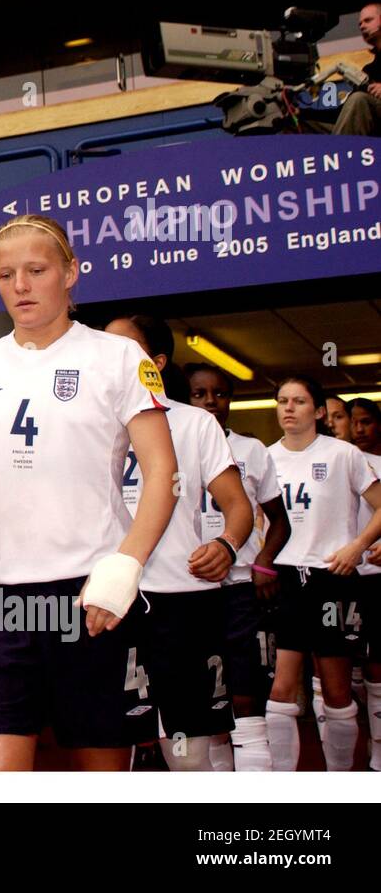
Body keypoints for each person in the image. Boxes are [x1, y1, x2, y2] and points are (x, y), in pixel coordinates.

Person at [0, 214, 178, 771]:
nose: (20, 286)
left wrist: (126, 565)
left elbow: (163, 472)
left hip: (87, 594)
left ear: (71, 272)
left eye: (36, 270)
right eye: (6, 275)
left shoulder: (119, 358)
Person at [108, 318, 253, 772]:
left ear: (157, 363)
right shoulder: (85, 424)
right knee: (111, 739)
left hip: (181, 598)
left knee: (187, 748)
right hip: (104, 599)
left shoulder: (194, 423)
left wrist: (227, 545)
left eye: (124, 348)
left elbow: (239, 507)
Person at [265, 376, 381, 771]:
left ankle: (340, 780)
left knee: (335, 690)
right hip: (285, 578)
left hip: (332, 578)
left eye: (299, 401)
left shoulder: (343, 454)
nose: (289, 408)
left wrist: (356, 546)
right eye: (282, 400)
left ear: (317, 411)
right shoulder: (267, 457)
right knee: (281, 690)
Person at [187, 362, 291, 771]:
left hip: (240, 591)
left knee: (246, 696)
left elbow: (279, 520)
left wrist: (264, 562)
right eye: (199, 394)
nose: (212, 402)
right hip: (189, 593)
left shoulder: (252, 450)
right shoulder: (171, 443)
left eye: (220, 393)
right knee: (205, 701)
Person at [348, 398, 381, 771]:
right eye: (353, 423)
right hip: (342, 575)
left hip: (375, 577)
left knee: (376, 664)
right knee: (342, 669)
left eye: (366, 422)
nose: (359, 430)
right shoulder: (343, 458)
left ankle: (377, 751)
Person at [333, 3, 381, 137]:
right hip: (368, 126)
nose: (362, 26)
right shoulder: (370, 69)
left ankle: (337, 153)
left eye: (368, 20)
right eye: (360, 24)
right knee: (300, 122)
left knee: (359, 99)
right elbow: (347, 111)